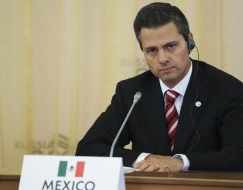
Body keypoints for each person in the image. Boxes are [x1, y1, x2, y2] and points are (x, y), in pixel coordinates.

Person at [75, 2, 243, 172]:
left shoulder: (228, 90)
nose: (162, 58)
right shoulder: (131, 93)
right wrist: (146, 158)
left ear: (189, 41)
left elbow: (238, 155)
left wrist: (181, 162)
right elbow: (88, 149)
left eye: (171, 46)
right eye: (152, 50)